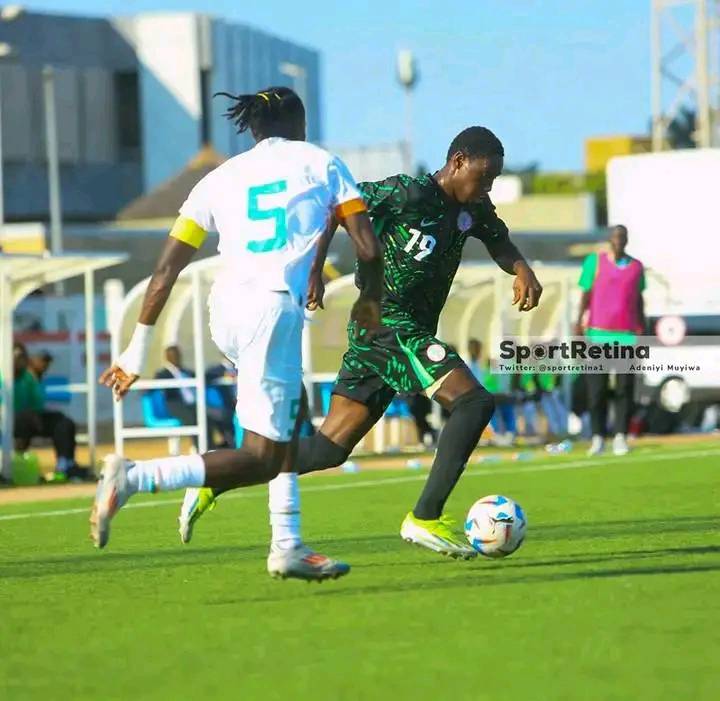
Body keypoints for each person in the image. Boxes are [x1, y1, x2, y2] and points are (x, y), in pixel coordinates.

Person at [182, 126, 543, 559]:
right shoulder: (405, 193)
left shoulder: (475, 208)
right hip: (388, 322)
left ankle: (220, 472)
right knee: (475, 403)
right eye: (483, 177)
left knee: (328, 449)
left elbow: (499, 241)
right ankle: (425, 517)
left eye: (493, 181)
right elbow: (337, 209)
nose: (487, 187)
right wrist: (315, 269)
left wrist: (521, 269)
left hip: (391, 335)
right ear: (459, 161)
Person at [93, 86, 383, 582]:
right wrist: (369, 304)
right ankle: (137, 477)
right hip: (272, 310)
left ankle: (287, 545)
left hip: (225, 311)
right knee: (261, 457)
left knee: (291, 418)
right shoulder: (320, 162)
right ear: (300, 123)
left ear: (252, 130)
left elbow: (164, 271)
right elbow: (369, 250)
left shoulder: (218, 178)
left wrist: (135, 348)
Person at [575, 225, 646, 456]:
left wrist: (642, 328)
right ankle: (597, 437)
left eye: (623, 237)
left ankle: (620, 437)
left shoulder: (636, 267)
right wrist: (578, 323)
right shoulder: (594, 262)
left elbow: (638, 299)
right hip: (597, 335)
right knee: (597, 390)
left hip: (626, 337)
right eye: (615, 237)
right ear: (609, 240)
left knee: (625, 389)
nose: (619, 241)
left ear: (627, 240)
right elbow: (585, 294)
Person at [12, 343, 90, 481]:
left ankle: (65, 464)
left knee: (63, 422)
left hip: (31, 419)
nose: (45, 365)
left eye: (47, 361)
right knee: (26, 418)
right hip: (10, 420)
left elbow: (37, 405)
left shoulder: (32, 378)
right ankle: (16, 465)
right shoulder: (7, 377)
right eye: (42, 360)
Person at [154, 345, 234, 449]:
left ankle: (228, 445)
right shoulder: (163, 374)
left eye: (177, 354)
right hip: (179, 406)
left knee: (221, 414)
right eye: (173, 355)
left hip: (196, 405)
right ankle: (203, 449)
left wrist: (223, 375)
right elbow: (152, 388)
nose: (176, 357)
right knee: (198, 418)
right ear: (167, 357)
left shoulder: (186, 372)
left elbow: (205, 377)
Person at [467, 338, 516, 445]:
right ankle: (501, 436)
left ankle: (504, 436)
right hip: (493, 393)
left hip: (495, 393)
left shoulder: (482, 363)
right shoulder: (478, 363)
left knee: (502, 414)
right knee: (498, 415)